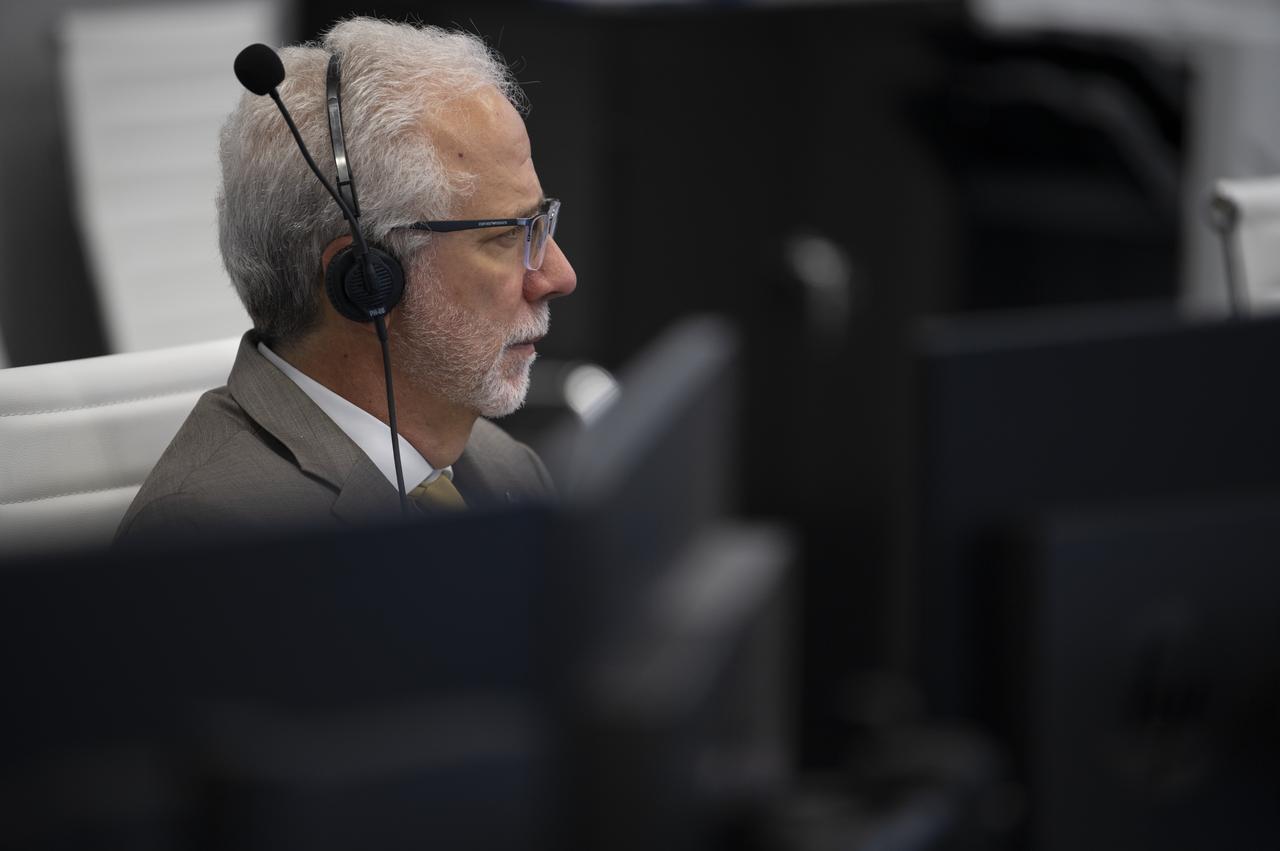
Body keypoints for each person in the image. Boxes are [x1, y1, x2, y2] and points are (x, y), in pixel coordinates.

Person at [117, 18, 576, 542]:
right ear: (366, 282)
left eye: (541, 226)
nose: (559, 277)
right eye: (506, 236)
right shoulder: (212, 536)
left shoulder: (505, 468)